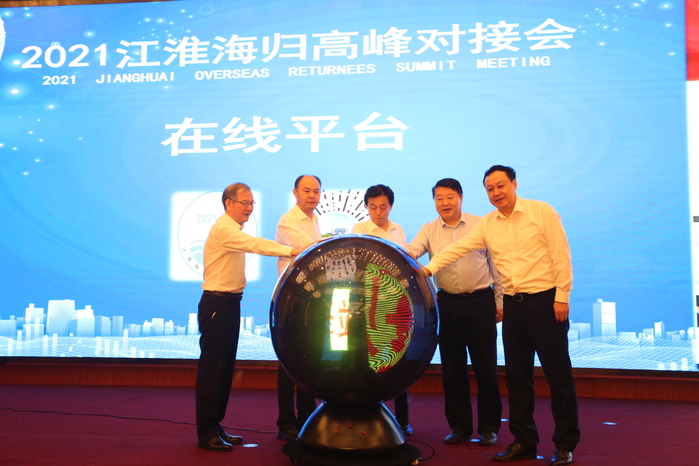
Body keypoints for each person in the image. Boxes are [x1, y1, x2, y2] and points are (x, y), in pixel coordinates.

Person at [423, 166, 579, 466]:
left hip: (546, 303)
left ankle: (564, 444)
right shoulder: (488, 224)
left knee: (558, 376)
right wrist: (426, 270)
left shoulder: (541, 211)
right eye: (490, 189)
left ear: (514, 184)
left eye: (501, 186)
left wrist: (562, 297)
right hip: (513, 307)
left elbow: (561, 256)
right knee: (517, 379)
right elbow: (458, 248)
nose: (496, 193)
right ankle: (524, 442)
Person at [195, 183, 301, 452]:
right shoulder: (224, 229)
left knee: (224, 369)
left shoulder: (234, 229)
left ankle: (215, 425)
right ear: (228, 203)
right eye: (245, 202)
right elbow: (255, 244)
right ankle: (206, 431)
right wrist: (291, 250)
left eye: (252, 203)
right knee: (213, 370)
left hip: (230, 304)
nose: (250, 208)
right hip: (217, 304)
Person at [405, 178, 503, 447]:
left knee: (486, 368)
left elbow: (496, 266)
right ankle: (460, 427)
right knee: (452, 369)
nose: (445, 203)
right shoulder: (428, 229)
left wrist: (499, 302)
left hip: (480, 302)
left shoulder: (481, 224)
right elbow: (413, 251)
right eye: (439, 198)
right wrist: (396, 253)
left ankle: (489, 428)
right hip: (447, 305)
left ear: (461, 198)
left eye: (450, 197)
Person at [351, 184, 412, 436]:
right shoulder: (359, 230)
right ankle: (366, 416)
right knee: (369, 360)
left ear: (391, 207)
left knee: (399, 360)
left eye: (383, 207)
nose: (378, 212)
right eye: (373, 207)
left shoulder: (399, 230)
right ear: (366, 207)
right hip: (368, 304)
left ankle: (403, 421)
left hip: (395, 305)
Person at [274, 174, 322, 442]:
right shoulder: (288, 220)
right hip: (291, 299)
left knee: (308, 360)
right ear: (295, 193)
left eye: (316, 191)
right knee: (288, 363)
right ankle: (285, 422)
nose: (312, 195)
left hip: (311, 298)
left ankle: (306, 417)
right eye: (307, 191)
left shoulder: (315, 220)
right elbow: (310, 250)